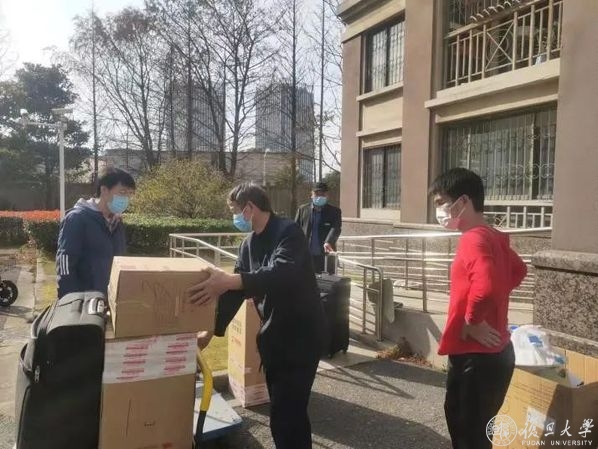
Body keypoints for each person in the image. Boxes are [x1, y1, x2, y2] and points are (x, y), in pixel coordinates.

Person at [189, 182, 325, 449]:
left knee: (287, 413)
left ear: (249, 208)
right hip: (274, 338)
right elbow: (235, 292)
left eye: (235, 210)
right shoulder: (248, 244)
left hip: (301, 335)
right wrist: (209, 332)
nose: (235, 217)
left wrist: (230, 280)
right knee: (287, 411)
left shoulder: (289, 232)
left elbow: (281, 273)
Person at [429, 168, 527, 449]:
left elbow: (486, 287)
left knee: (467, 435)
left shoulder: (472, 238)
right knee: (479, 434)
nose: (438, 211)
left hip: (476, 357)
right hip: (496, 354)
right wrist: (491, 309)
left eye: (441, 202)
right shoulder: (492, 235)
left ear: (463, 201)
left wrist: (473, 320)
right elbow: (518, 271)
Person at [56, 167, 136, 298]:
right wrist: (70, 300)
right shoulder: (77, 218)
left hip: (111, 298)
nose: (126, 198)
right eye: (122, 192)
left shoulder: (117, 223)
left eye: (130, 194)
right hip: (84, 301)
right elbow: (65, 262)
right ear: (104, 190)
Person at [294, 181, 342, 273]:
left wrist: (328, 242)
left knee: (326, 281)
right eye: (316, 193)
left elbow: (336, 228)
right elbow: (295, 229)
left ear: (327, 195)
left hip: (325, 256)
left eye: (322, 194)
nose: (319, 196)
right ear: (311, 195)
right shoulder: (302, 210)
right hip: (306, 256)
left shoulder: (334, 212)